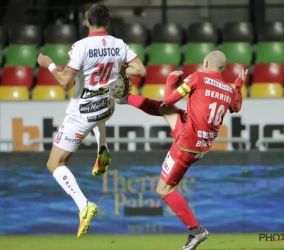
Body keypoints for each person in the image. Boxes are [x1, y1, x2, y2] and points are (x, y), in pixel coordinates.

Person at [117, 51, 247, 250]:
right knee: (165, 110)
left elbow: (169, 98)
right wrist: (238, 85)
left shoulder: (197, 77)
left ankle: (197, 231)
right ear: (223, 69)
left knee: (163, 190)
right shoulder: (228, 91)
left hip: (185, 145)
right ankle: (125, 99)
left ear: (205, 63)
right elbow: (236, 106)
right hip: (199, 143)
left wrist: (170, 80)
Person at [37, 3, 145, 238]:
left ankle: (84, 206)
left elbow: (65, 82)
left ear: (87, 22)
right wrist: (119, 68)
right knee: (100, 108)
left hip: (82, 115)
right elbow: (141, 70)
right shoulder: (119, 44)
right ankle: (102, 148)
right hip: (106, 108)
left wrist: (50, 65)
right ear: (108, 23)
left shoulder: (80, 47)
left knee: (54, 164)